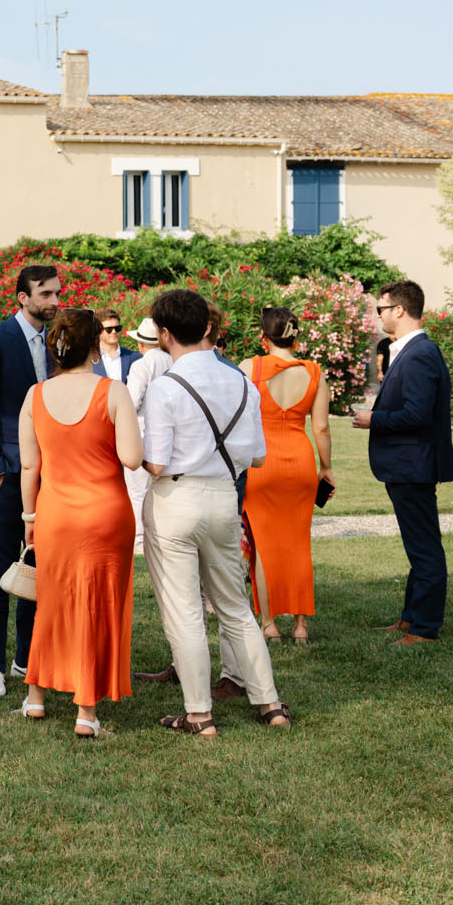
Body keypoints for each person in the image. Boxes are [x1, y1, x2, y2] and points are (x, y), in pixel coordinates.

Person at [142, 288, 293, 736]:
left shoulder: (165, 386)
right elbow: (258, 456)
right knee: (236, 607)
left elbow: (155, 462)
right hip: (225, 496)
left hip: (176, 499)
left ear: (165, 334)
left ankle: (199, 714)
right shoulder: (242, 381)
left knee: (184, 611)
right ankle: (269, 704)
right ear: (206, 327)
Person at [17, 310, 144, 738]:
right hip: (105, 514)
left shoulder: (34, 396)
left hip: (54, 514)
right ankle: (86, 711)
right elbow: (130, 458)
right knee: (97, 604)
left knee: (50, 603)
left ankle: (35, 696)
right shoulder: (113, 391)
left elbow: (29, 467)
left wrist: (29, 518)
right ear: (95, 346)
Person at [0, 265, 59, 697]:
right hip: (8, 472)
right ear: (22, 297)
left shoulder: (59, 341)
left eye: (56, 292)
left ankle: (26, 658)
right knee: (1, 566)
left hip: (52, 472)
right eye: (45, 294)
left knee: (37, 566)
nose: (54, 301)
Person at [355, 280, 453, 645]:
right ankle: (411, 617)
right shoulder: (410, 351)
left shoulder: (420, 354)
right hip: (406, 464)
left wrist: (373, 419)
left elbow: (418, 414)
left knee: (425, 547)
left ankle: (424, 629)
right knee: (418, 544)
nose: (378, 314)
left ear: (399, 310)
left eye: (381, 308)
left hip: (413, 464)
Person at [241, 307, 332, 644]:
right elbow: (320, 426)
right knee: (298, 545)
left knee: (265, 546)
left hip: (262, 463)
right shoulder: (314, 372)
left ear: (263, 337)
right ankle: (301, 627)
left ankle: (269, 624)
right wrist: (327, 467)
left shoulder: (251, 367)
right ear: (295, 336)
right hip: (299, 461)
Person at [123, 317, 174, 541]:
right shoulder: (173, 360)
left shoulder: (141, 365)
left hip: (143, 430)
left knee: (136, 490)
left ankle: (139, 536)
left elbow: (131, 402)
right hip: (171, 430)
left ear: (141, 344)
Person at [92, 312, 140, 383]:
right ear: (98, 331)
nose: (114, 332)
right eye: (109, 329)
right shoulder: (88, 358)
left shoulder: (135, 357)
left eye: (117, 328)